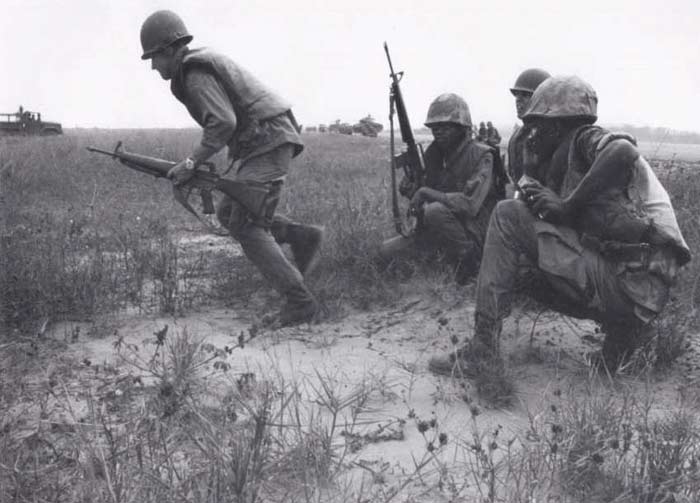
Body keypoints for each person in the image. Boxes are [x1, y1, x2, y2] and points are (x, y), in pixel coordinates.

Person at [428, 75, 690, 378]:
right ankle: (622, 340)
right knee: (523, 268)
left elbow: (623, 151)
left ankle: (483, 347)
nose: (533, 134)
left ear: (555, 124)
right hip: (641, 291)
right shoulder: (574, 156)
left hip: (631, 279)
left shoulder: (584, 137)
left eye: (537, 125)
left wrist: (567, 206)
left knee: (507, 215)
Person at [139, 10, 323, 326]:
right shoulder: (197, 65)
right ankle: (301, 236)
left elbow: (223, 122)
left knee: (243, 223)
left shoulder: (193, 72)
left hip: (267, 140)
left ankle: (300, 302)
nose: (154, 66)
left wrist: (189, 163)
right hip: (264, 140)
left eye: (154, 57)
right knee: (229, 213)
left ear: (170, 49)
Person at [379, 93, 505, 284]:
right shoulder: (434, 154)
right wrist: (412, 190)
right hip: (438, 230)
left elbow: (470, 205)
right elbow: (429, 193)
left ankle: (472, 269)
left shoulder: (482, 155)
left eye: (445, 126)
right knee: (385, 252)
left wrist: (425, 193)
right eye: (434, 127)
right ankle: (441, 261)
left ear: (461, 127)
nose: (438, 132)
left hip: (477, 235)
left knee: (435, 211)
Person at [506, 68, 551, 184]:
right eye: (516, 94)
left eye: (525, 95)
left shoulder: (553, 135)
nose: (518, 99)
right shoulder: (517, 136)